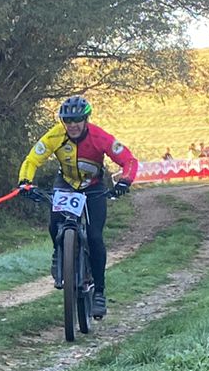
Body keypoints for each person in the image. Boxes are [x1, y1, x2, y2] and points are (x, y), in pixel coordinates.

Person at [16, 94, 138, 319]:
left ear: (86, 119)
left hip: (93, 187)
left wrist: (124, 181)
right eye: (67, 121)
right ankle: (58, 254)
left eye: (77, 120)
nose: (72, 125)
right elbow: (32, 159)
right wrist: (25, 182)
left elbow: (129, 160)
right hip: (66, 183)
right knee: (54, 223)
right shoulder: (56, 135)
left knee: (94, 237)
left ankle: (99, 292)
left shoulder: (99, 136)